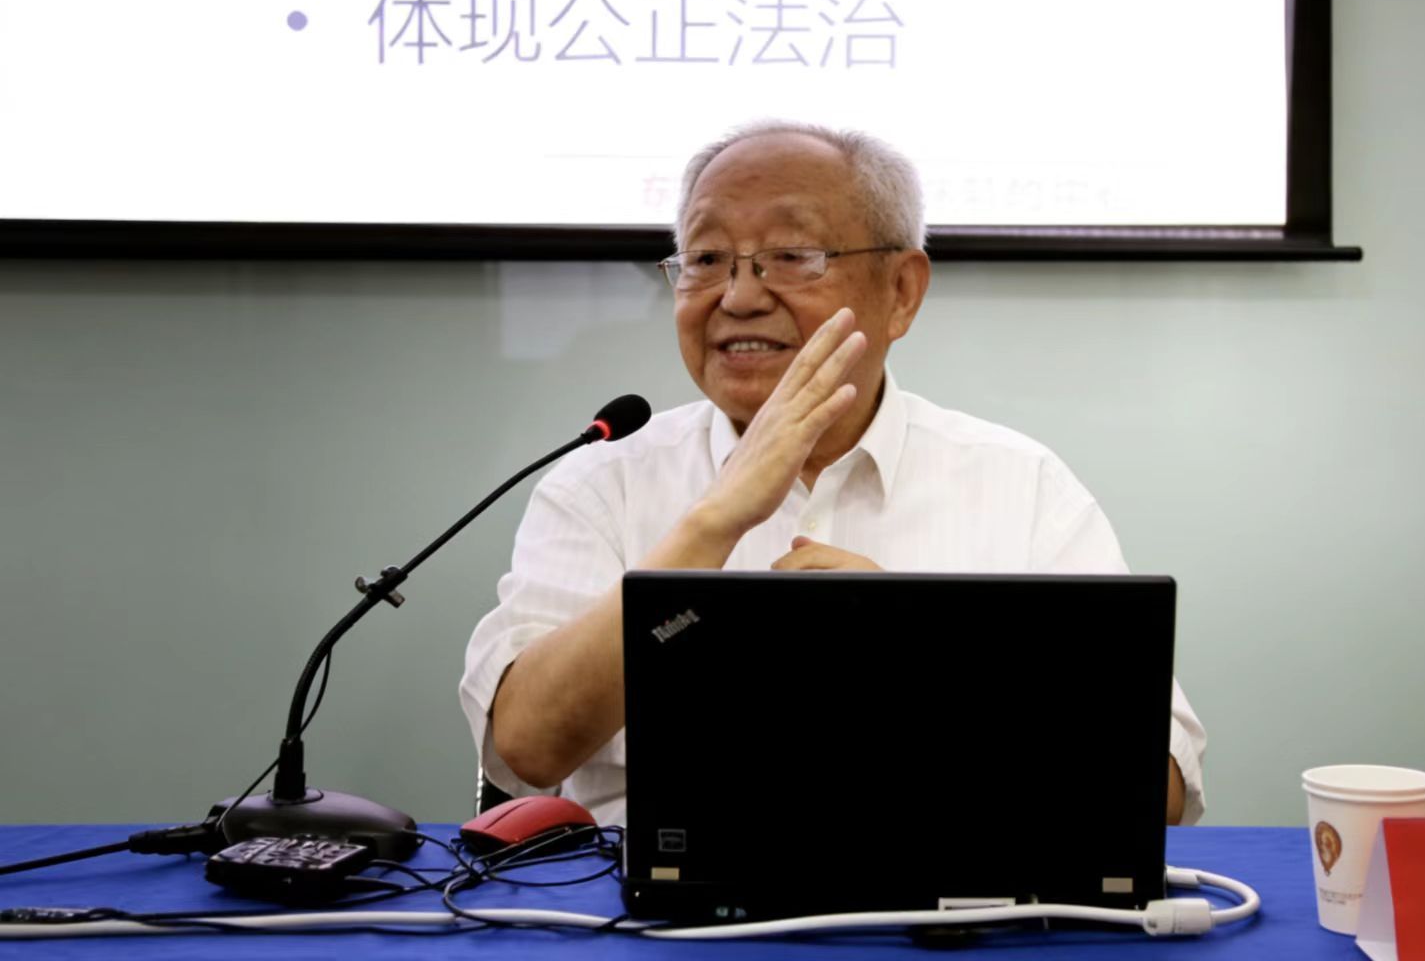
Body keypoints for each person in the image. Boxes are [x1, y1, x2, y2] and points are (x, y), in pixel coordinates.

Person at [460, 122, 1207, 825]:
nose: (738, 297)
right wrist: (711, 524)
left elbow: (1158, 789)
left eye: (792, 256)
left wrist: (918, 652)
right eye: (706, 259)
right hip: (648, 896)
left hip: (942, 891)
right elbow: (527, 749)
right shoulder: (604, 480)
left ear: (901, 292)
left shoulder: (1018, 485)